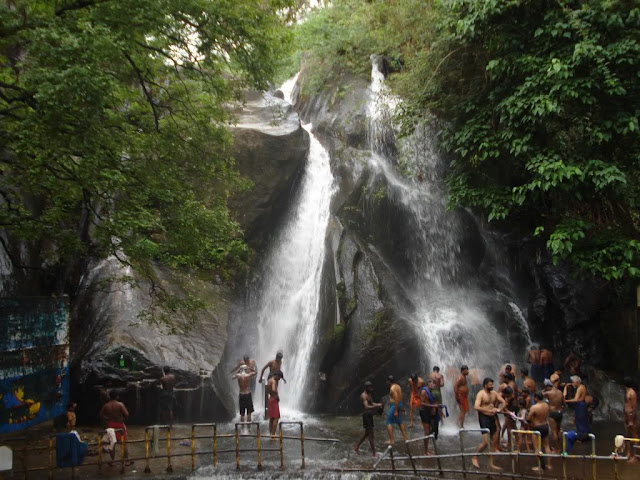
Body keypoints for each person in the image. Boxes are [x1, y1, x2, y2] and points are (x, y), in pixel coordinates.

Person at [472, 378, 506, 471]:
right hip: (484, 418)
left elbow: (503, 402)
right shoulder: (481, 394)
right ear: (485, 385)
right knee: (485, 443)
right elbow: (476, 407)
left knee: (493, 443)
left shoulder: (494, 393)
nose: (492, 386)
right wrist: (488, 410)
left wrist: (499, 410)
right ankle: (475, 457)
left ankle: (491, 464)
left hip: (492, 418)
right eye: (490, 384)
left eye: (492, 384)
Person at [99, 390, 133, 465]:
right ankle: (126, 460)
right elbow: (127, 414)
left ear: (110, 396)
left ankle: (113, 461)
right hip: (119, 424)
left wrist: (107, 419)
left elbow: (101, 415)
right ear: (117, 396)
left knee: (112, 443)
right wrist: (122, 419)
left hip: (110, 425)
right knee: (123, 442)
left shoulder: (106, 405)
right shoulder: (120, 404)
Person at [353, 381, 383, 456]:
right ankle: (374, 453)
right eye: (370, 387)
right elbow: (366, 407)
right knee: (371, 435)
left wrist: (378, 404)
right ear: (366, 388)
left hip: (370, 415)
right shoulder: (364, 395)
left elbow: (371, 403)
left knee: (367, 434)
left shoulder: (368, 394)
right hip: (366, 416)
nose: (371, 388)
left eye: (371, 387)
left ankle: (356, 447)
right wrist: (376, 406)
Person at [528, 391, 551, 471]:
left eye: (534, 398)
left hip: (537, 427)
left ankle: (540, 466)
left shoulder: (534, 407)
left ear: (536, 398)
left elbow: (528, 418)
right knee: (547, 446)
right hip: (545, 425)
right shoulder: (546, 405)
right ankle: (548, 465)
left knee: (537, 448)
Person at [419, 379, 444, 455]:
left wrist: (439, 410)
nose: (434, 385)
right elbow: (421, 403)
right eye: (432, 384)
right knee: (426, 432)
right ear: (428, 383)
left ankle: (427, 449)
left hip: (429, 411)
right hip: (424, 412)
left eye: (434, 384)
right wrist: (432, 406)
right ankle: (425, 451)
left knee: (430, 430)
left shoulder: (431, 391)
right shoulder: (424, 391)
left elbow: (433, 401)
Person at [543, 378, 564, 452]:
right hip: (560, 412)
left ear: (547, 386)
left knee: (554, 432)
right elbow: (563, 403)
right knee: (558, 431)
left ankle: (557, 449)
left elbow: (539, 396)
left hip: (552, 413)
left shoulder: (548, 393)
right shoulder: (560, 392)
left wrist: (544, 390)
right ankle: (559, 447)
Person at [385, 375, 408, 445]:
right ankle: (405, 438)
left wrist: (395, 411)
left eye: (387, 381)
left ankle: (391, 440)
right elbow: (401, 396)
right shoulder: (398, 386)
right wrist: (402, 407)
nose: (386, 382)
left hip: (395, 405)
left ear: (389, 381)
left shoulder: (392, 388)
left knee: (388, 421)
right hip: (399, 404)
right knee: (399, 421)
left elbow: (396, 399)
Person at [623, 377, 638, 463]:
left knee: (634, 436)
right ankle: (629, 453)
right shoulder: (627, 392)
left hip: (631, 416)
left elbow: (634, 407)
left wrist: (631, 420)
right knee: (627, 435)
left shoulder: (632, 393)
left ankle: (635, 456)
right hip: (626, 415)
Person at [266, 370, 283, 438]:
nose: (279, 379)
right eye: (279, 378)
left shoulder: (269, 380)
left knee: (271, 418)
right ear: (277, 375)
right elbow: (273, 389)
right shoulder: (273, 381)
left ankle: (270, 433)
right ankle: (273, 435)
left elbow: (268, 389)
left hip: (270, 399)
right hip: (274, 399)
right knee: (276, 418)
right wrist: (277, 396)